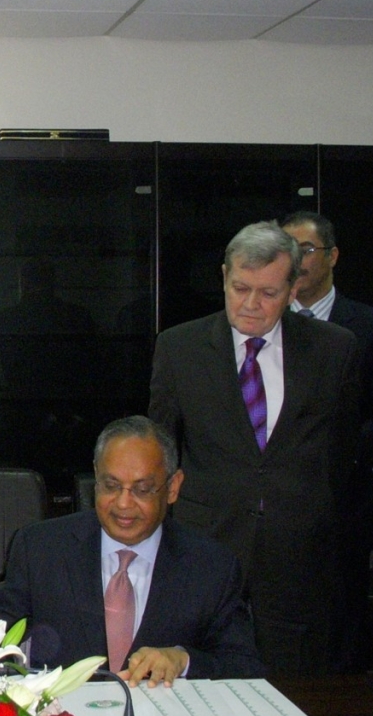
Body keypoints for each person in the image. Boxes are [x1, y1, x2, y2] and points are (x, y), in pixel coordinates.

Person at [149, 221, 360, 675]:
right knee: (200, 680)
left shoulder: (333, 350)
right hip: (206, 546)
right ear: (223, 276)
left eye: (267, 293)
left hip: (298, 555)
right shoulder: (179, 347)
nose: (250, 304)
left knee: (294, 694)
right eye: (240, 287)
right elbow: (160, 451)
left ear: (292, 287)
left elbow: (341, 455)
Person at [0, 416, 264, 687]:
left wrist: (183, 660)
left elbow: (244, 667)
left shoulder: (212, 566)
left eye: (142, 490)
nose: (123, 504)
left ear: (173, 488)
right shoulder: (40, 549)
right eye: (111, 486)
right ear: (96, 478)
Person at [281, 210, 373, 670]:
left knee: (338, 637)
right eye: (288, 248)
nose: (296, 259)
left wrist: (342, 447)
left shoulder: (372, 328)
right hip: (271, 513)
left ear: (333, 256)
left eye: (307, 249)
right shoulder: (261, 323)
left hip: (340, 506)